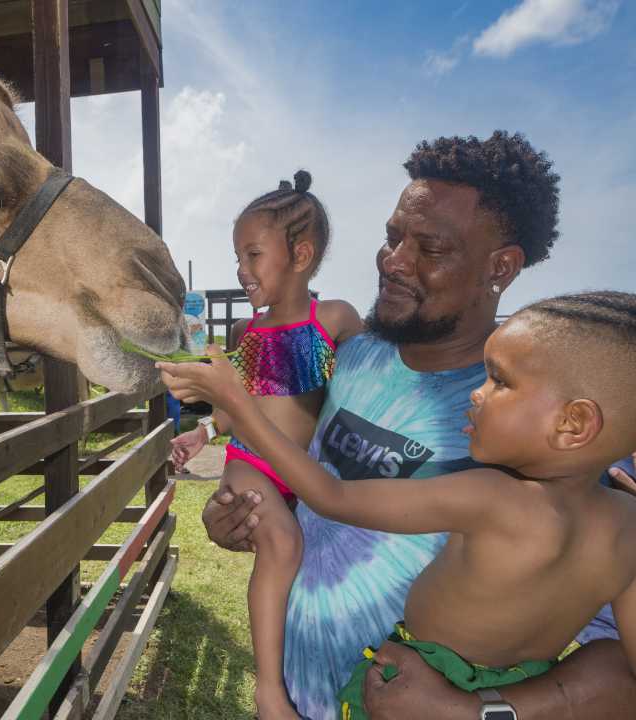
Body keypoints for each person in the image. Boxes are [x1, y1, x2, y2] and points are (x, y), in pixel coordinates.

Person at [198, 131, 636, 719]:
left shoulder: (540, 433)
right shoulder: (343, 355)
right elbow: (273, 463)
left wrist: (477, 712)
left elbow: (618, 672)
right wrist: (233, 516)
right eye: (391, 237)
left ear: (500, 266)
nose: (393, 261)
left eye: (428, 247)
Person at [160, 291, 636, 719]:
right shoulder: (627, 524)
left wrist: (237, 403)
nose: (477, 391)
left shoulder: (493, 496)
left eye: (500, 382)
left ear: (573, 423)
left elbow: (332, 496)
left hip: (408, 691)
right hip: (515, 692)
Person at [169, 171, 362, 718]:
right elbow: (238, 408)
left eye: (253, 255)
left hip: (300, 473)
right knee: (282, 547)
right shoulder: (251, 333)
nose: (241, 269)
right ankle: (269, 690)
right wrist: (203, 429)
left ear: (301, 255)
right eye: (238, 257)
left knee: (299, 554)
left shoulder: (335, 321)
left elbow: (377, 375)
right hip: (252, 464)